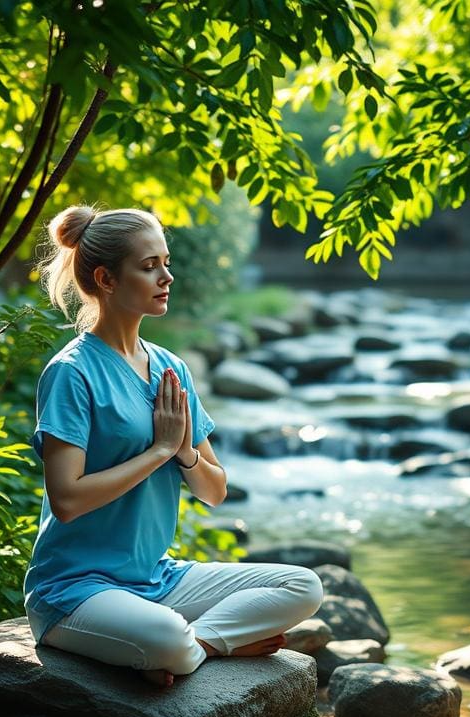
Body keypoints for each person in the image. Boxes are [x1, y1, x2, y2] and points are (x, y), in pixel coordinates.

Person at [23, 205, 324, 687]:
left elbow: (215, 491)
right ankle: (184, 648)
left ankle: (197, 647)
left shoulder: (170, 368)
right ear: (106, 279)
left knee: (302, 584)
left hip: (155, 579)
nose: (167, 276)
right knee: (165, 636)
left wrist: (184, 453)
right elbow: (67, 499)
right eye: (149, 267)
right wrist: (159, 451)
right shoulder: (71, 372)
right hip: (75, 590)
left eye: (165, 262)